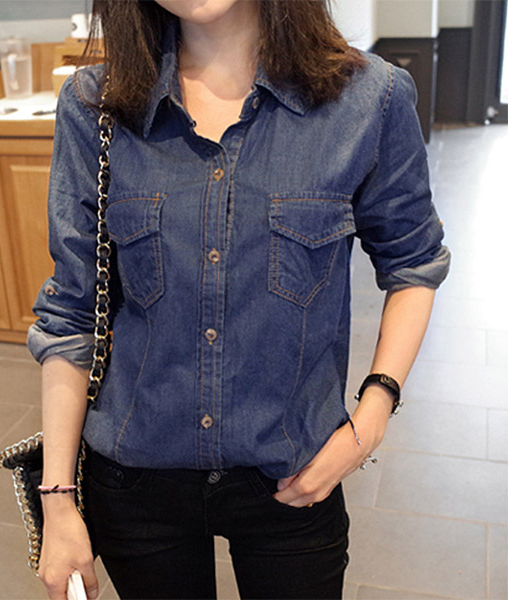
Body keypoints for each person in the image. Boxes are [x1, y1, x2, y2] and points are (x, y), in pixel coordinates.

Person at [27, 1, 450, 599]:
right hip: (137, 478)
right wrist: (58, 502)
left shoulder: (368, 99)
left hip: (295, 472)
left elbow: (412, 263)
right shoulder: (95, 105)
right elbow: (72, 311)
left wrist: (372, 419)